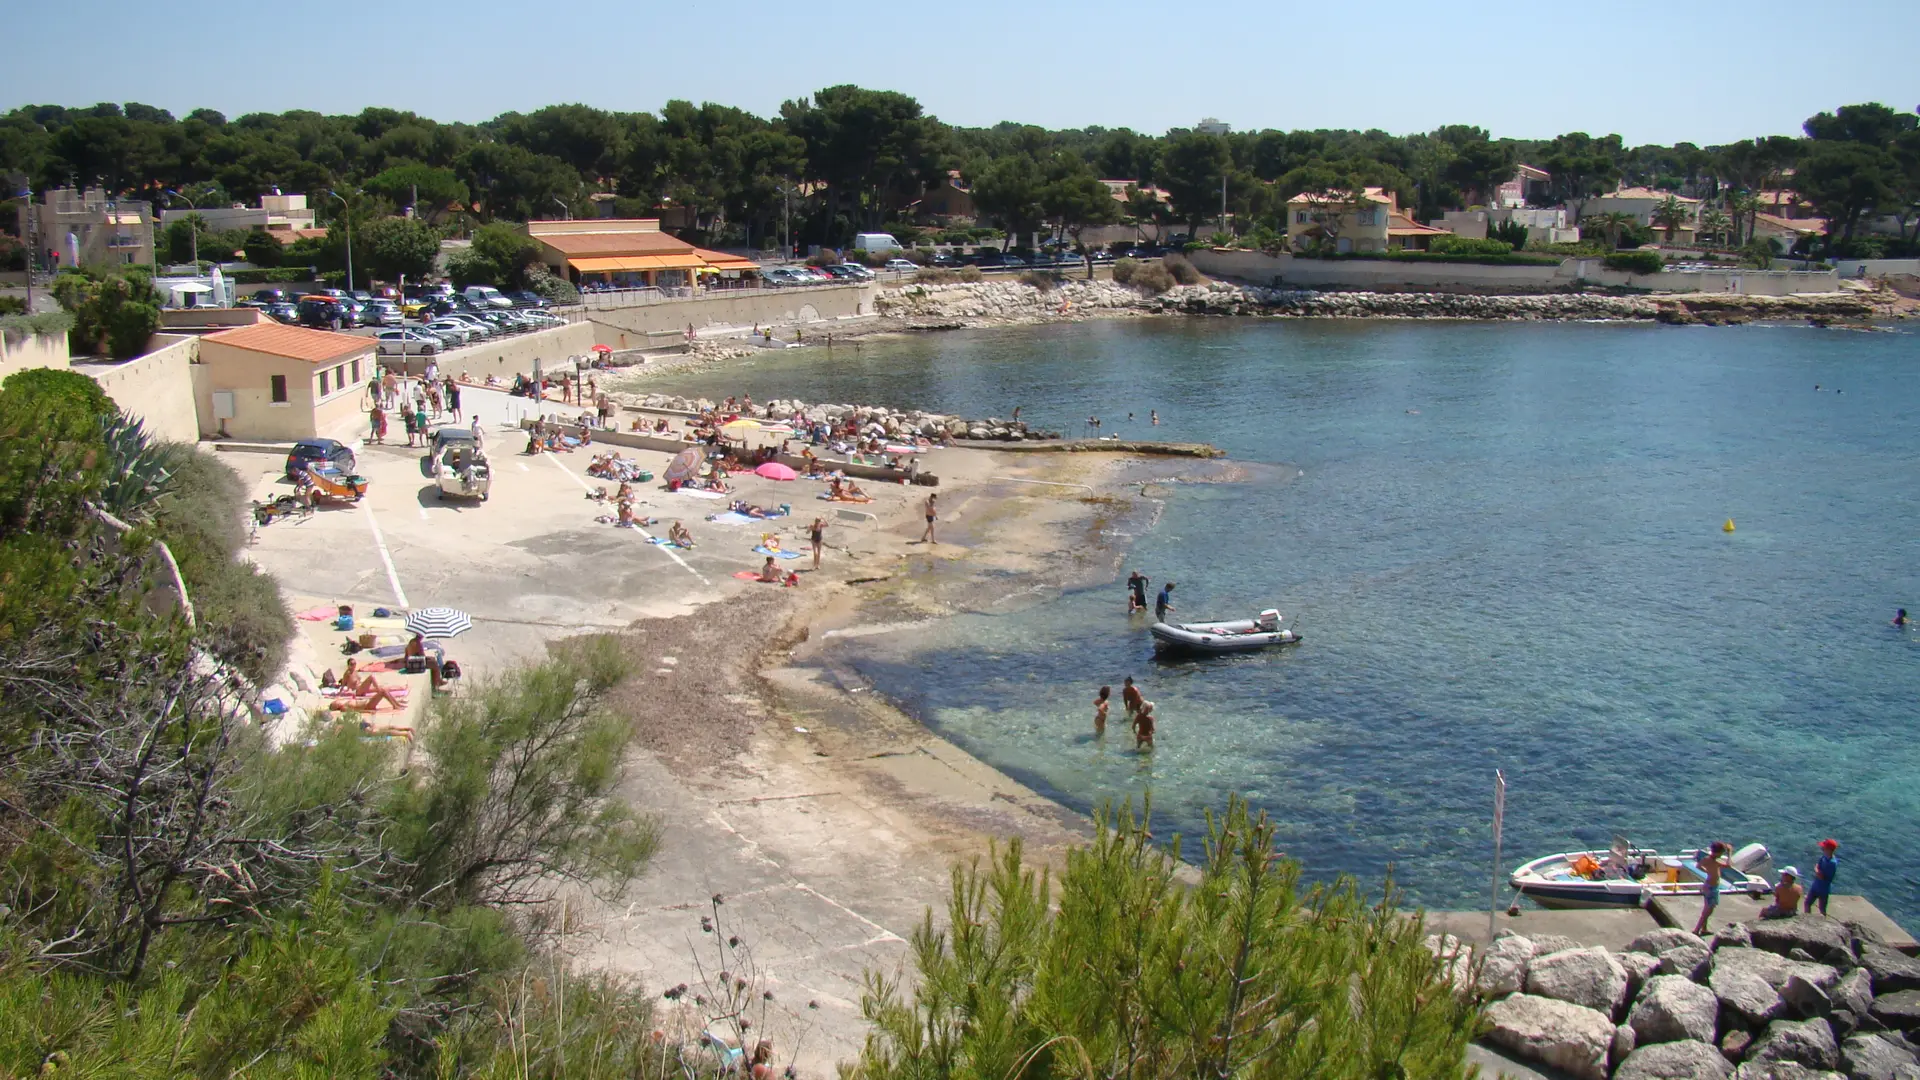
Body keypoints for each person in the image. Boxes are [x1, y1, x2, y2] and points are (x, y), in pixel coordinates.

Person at [1692, 841, 1732, 935]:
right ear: (1718, 853)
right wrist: (1730, 852)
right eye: (1722, 853)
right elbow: (1729, 865)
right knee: (1708, 911)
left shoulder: (1706, 859)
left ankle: (1704, 929)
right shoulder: (1716, 861)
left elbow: (1698, 866)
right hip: (1713, 888)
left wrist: (1706, 871)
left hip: (1707, 886)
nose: (1722, 855)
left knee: (1706, 908)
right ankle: (1696, 930)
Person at [1806, 839, 1839, 916]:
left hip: (1823, 889)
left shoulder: (1832, 863)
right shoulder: (1824, 857)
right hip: (1816, 886)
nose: (1822, 848)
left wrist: (1817, 871)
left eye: (1823, 847)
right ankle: (1807, 918)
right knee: (1807, 903)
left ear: (1829, 849)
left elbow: (1822, 876)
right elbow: (1818, 866)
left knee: (1822, 908)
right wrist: (1817, 871)